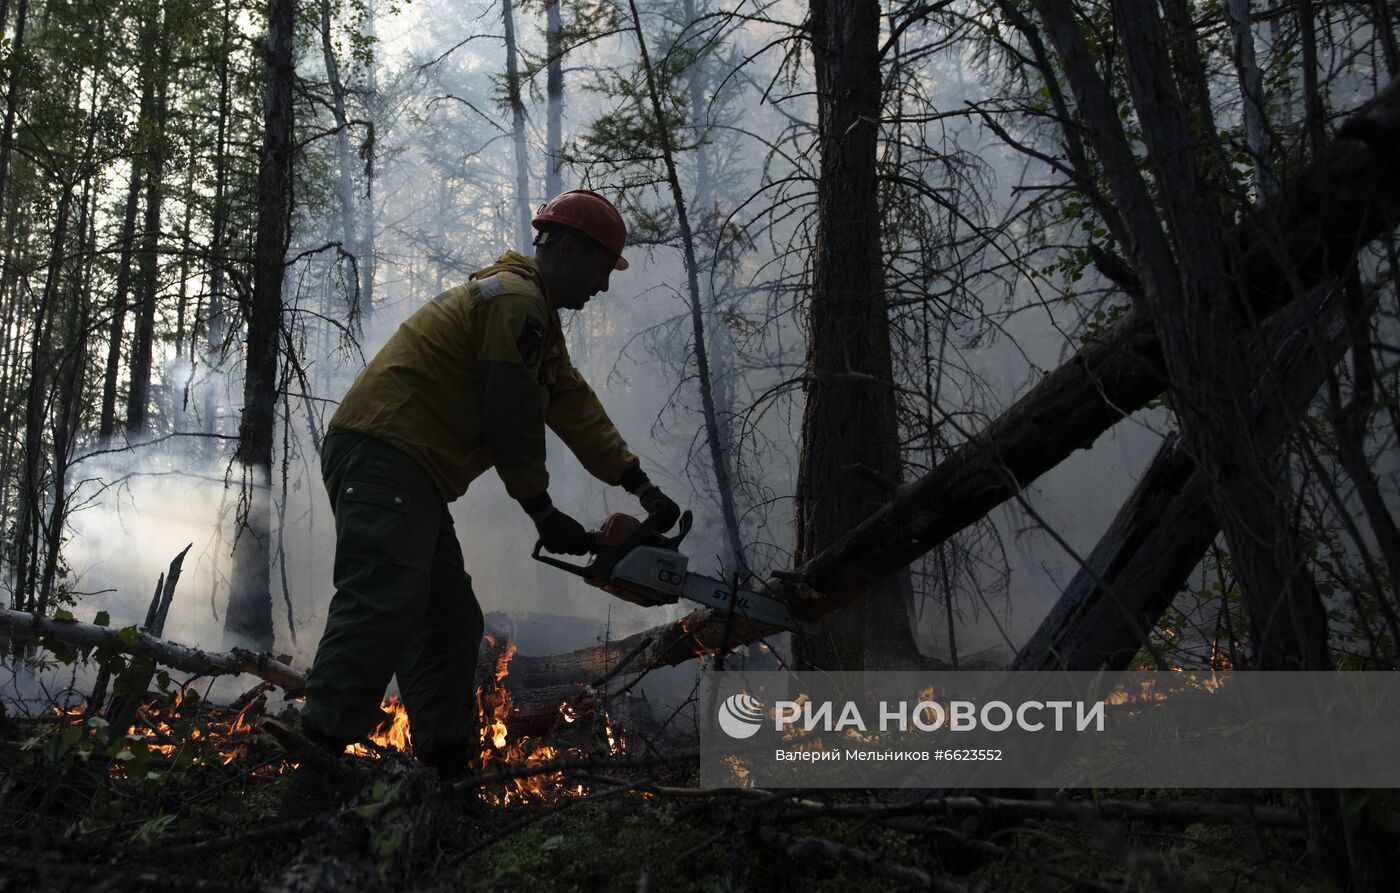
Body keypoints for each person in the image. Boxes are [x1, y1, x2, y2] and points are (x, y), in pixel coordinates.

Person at [280, 189, 679, 816]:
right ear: (570, 250)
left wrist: (638, 484)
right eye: (604, 269)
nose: (604, 287)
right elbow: (510, 411)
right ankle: (316, 771)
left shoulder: (532, 320)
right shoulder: (516, 305)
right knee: (383, 596)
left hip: (410, 469)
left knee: (448, 619)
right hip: (385, 453)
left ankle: (446, 775)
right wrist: (542, 511)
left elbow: (571, 404)